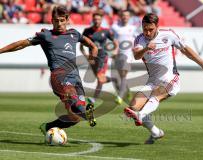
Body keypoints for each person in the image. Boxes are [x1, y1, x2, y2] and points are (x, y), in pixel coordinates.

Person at [0, 5, 98, 135]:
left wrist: (92, 60)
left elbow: (93, 46)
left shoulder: (74, 34)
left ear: (67, 20)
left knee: (76, 117)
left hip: (75, 77)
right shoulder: (46, 35)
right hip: (59, 76)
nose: (59, 24)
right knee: (75, 102)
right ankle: (84, 112)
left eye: (62, 20)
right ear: (52, 20)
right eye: (56, 21)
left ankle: (48, 127)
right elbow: (21, 44)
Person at [124, 13, 203, 144]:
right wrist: (145, 49)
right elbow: (137, 55)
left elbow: (185, 49)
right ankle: (155, 132)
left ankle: (141, 115)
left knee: (155, 97)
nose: (147, 32)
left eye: (150, 29)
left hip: (171, 79)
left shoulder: (169, 35)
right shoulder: (140, 40)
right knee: (133, 107)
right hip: (153, 81)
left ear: (157, 27)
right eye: (145, 29)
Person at [80, 10, 119, 101]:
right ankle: (114, 79)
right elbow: (81, 46)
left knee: (100, 78)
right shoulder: (87, 31)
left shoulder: (106, 31)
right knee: (100, 78)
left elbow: (116, 42)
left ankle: (94, 99)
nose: (97, 21)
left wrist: (115, 51)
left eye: (99, 19)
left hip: (102, 57)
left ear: (101, 20)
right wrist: (85, 55)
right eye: (95, 19)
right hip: (92, 58)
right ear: (93, 20)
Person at [111, 10, 137, 104]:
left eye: (127, 15)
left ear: (129, 17)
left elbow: (137, 40)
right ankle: (128, 91)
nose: (125, 17)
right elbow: (113, 40)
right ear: (120, 16)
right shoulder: (115, 27)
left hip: (128, 55)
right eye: (123, 15)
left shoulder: (133, 28)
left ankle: (120, 96)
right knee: (120, 76)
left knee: (123, 74)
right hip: (118, 55)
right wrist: (113, 51)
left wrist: (136, 50)